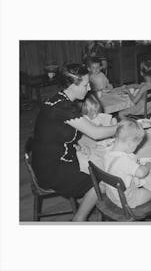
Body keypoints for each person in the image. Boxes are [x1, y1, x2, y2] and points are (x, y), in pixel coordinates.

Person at [31, 63, 117, 221]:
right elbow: (96, 133)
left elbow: (53, 134)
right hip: (51, 169)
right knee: (100, 182)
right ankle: (79, 219)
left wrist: (75, 144)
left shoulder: (58, 100)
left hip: (42, 158)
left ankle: (85, 201)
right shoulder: (64, 107)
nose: (89, 88)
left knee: (94, 162)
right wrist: (121, 127)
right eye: (85, 84)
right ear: (72, 85)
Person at [104, 118, 151, 208]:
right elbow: (141, 173)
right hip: (127, 200)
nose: (137, 148)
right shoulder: (123, 160)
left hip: (112, 195)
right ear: (130, 144)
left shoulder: (108, 152)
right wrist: (149, 165)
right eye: (137, 145)